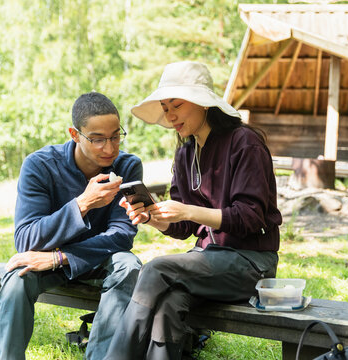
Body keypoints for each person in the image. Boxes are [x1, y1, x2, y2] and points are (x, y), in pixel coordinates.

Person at [105, 61, 282, 360]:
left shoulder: (245, 143)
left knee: (156, 268)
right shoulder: (186, 153)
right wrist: (152, 218)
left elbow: (249, 216)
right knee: (169, 303)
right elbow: (185, 228)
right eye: (165, 107)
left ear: (202, 103)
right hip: (207, 261)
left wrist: (187, 211)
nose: (169, 115)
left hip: (252, 263)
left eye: (176, 105)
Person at [0, 92, 143, 360]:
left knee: (129, 265)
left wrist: (60, 257)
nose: (109, 148)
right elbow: (27, 239)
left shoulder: (128, 166)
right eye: (97, 139)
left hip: (97, 259)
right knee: (17, 277)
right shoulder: (39, 166)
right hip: (48, 262)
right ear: (75, 134)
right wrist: (82, 204)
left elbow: (121, 236)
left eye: (115, 136)